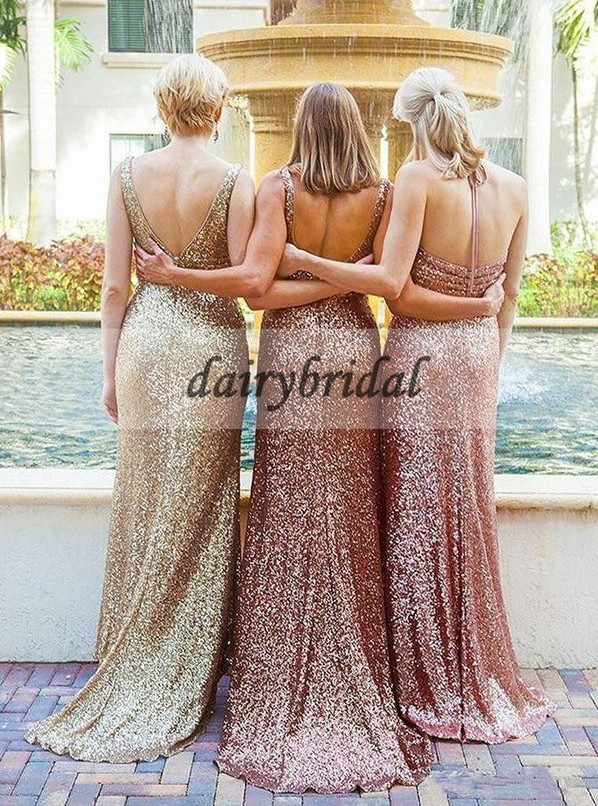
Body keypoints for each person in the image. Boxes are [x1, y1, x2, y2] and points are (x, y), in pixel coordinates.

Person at [279, 67, 554, 743]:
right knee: (467, 509)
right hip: (479, 358)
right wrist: (487, 348)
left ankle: (421, 680)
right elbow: (508, 299)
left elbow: (393, 289)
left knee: (416, 512)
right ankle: (475, 672)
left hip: (420, 359)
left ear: (410, 121)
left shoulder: (416, 180)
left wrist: (306, 260)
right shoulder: (516, 188)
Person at [26, 54, 257, 763]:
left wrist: (109, 372)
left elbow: (113, 288)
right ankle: (185, 661)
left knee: (147, 496)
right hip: (211, 345)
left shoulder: (126, 175)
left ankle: (137, 652)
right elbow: (246, 285)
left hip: (147, 345)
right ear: (216, 109)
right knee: (201, 503)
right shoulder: (235, 180)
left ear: (162, 108)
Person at [216, 82, 433, 794]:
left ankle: (277, 671)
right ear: (358, 127)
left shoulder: (280, 189)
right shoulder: (383, 195)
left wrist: (302, 265)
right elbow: (385, 284)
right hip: (352, 348)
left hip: (290, 354)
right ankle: (352, 665)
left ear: (303, 127)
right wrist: (342, 283)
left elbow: (256, 291)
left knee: (287, 500)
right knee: (348, 505)